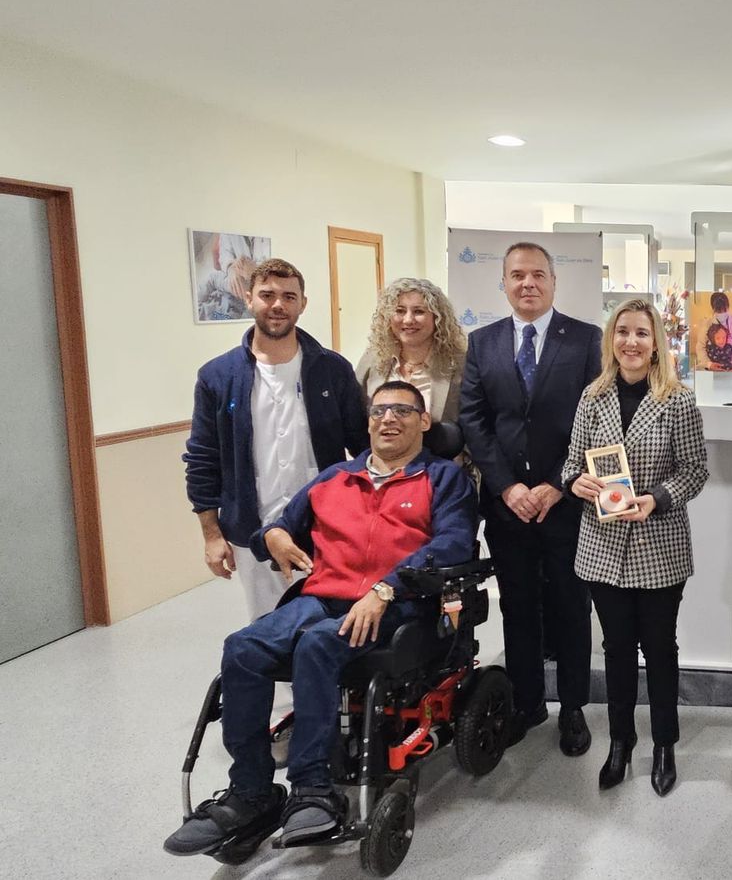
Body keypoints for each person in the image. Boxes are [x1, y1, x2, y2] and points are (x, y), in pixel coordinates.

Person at [163, 381, 475, 855]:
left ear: (425, 422)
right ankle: (251, 791)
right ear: (368, 421)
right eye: (379, 411)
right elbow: (282, 524)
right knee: (242, 649)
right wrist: (273, 537)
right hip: (322, 595)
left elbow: (452, 543)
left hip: (399, 605)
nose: (388, 419)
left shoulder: (442, 478)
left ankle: (313, 789)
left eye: (403, 411)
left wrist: (387, 587)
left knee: (318, 645)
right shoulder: (334, 478)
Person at [459, 241, 602, 755]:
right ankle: (525, 703)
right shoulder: (482, 343)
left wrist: (557, 485)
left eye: (538, 274)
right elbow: (474, 420)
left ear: (553, 282)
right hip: (508, 505)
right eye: (517, 275)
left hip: (566, 502)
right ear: (504, 282)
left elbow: (598, 420)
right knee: (517, 607)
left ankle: (573, 709)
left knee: (569, 606)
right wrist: (507, 487)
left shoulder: (586, 340)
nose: (528, 284)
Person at [562, 299, 708, 797]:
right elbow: (570, 465)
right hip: (602, 547)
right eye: (622, 332)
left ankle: (665, 742)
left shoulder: (678, 400)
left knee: (660, 650)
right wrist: (575, 483)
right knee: (617, 650)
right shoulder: (592, 396)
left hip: (658, 546)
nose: (631, 341)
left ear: (656, 344)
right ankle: (620, 741)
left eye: (641, 333)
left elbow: (695, 471)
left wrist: (656, 498)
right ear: (611, 340)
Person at [185, 257, 367, 621]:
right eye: (267, 295)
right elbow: (203, 458)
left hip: (325, 527)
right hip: (252, 528)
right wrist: (211, 535)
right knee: (267, 629)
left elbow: (363, 447)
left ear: (303, 303)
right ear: (248, 299)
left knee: (329, 626)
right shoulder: (218, 376)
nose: (278, 305)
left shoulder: (332, 370)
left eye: (289, 296)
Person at [354, 277, 469, 423]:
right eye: (400, 311)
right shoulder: (373, 357)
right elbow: (356, 415)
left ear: (437, 318)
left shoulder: (460, 364)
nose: (408, 320)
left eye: (419, 311)